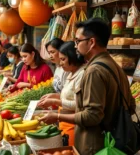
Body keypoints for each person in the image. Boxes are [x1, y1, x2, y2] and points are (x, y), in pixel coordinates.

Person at [38, 18, 136, 155]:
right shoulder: (114, 66)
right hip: (113, 142)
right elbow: (131, 105)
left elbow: (92, 116)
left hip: (95, 145)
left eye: (78, 41)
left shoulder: (94, 71)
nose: (75, 46)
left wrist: (57, 116)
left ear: (91, 42)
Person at [38, 41, 85, 146]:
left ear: (72, 57)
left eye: (63, 59)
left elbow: (78, 104)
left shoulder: (82, 75)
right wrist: (54, 96)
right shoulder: (71, 73)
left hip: (73, 125)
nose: (61, 62)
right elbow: (69, 96)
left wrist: (55, 101)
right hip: (64, 122)